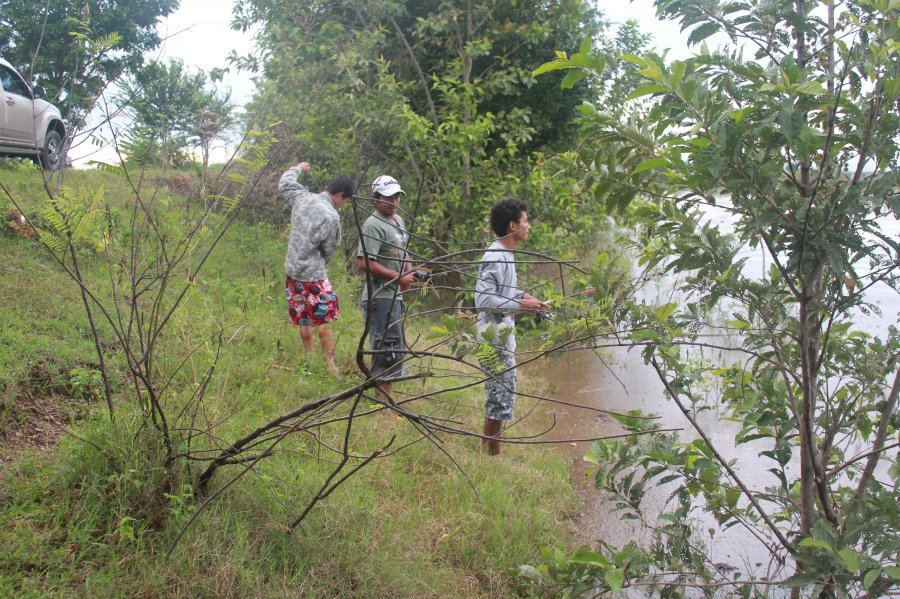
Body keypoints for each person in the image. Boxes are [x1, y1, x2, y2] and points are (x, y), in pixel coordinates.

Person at [474, 198, 548, 455]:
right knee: (499, 397)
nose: (529, 226)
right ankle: (491, 457)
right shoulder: (496, 256)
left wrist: (523, 298)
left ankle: (490, 451)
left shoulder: (505, 253)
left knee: (500, 395)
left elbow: (500, 293)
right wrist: (520, 306)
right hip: (494, 335)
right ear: (513, 225)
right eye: (526, 221)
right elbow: (483, 300)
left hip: (501, 334)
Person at [281, 161, 355, 375]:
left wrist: (297, 168)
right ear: (339, 195)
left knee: (303, 316)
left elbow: (285, 183)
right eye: (346, 201)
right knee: (325, 317)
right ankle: (330, 365)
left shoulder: (302, 197)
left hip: (292, 271)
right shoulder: (331, 217)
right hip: (314, 275)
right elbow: (329, 249)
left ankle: (309, 360)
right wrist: (322, 263)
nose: (344, 204)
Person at [356, 175, 417, 404]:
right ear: (375, 198)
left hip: (395, 296)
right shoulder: (372, 225)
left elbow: (404, 250)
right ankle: (383, 404)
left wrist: (409, 274)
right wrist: (398, 277)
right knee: (386, 349)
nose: (394, 202)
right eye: (388, 197)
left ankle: (388, 400)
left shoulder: (398, 221)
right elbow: (365, 264)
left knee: (396, 346)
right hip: (380, 297)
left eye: (397, 197)